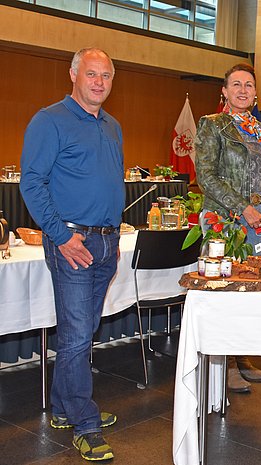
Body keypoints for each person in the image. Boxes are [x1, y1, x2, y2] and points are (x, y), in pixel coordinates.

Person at [20, 48, 123, 461]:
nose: (99, 82)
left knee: (82, 332)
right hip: (72, 243)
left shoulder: (112, 125)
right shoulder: (49, 121)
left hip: (105, 241)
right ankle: (86, 423)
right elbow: (31, 182)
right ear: (74, 75)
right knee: (79, 335)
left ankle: (64, 406)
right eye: (92, 74)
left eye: (107, 76)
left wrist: (112, 238)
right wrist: (61, 236)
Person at [195, 63, 261, 393]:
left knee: (249, 290)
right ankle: (222, 363)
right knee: (225, 290)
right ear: (224, 91)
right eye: (236, 84)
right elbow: (206, 176)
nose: (243, 90)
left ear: (256, 93)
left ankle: (241, 357)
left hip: (258, 219)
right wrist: (242, 208)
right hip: (225, 219)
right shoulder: (212, 126)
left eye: (249, 85)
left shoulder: (259, 130)